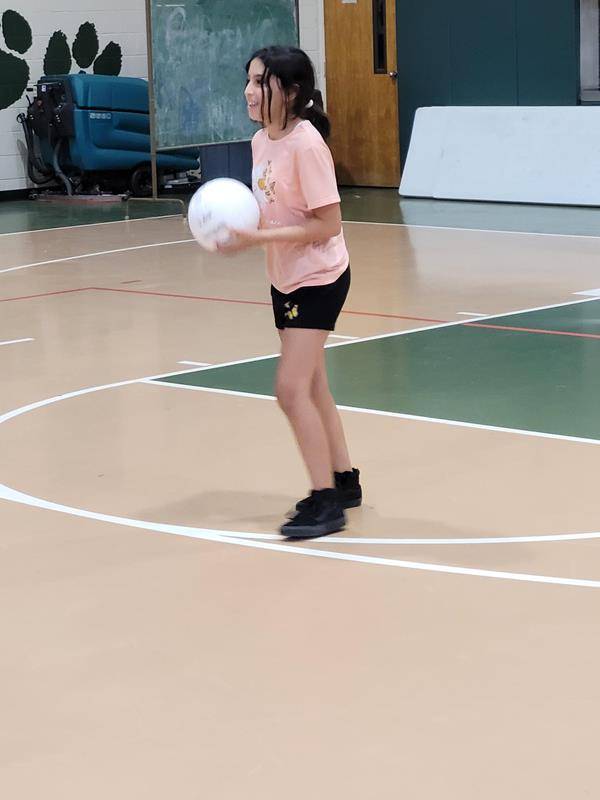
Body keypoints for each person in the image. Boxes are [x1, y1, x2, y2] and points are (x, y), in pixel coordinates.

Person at [218, 45, 362, 538]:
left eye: (261, 82)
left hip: (318, 277)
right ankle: (343, 480)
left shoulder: (306, 145)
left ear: (292, 92)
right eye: (248, 80)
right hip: (284, 276)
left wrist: (259, 238)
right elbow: (274, 211)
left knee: (290, 388)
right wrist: (236, 230)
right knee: (313, 385)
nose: (249, 91)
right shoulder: (261, 141)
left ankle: (325, 502)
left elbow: (328, 223)